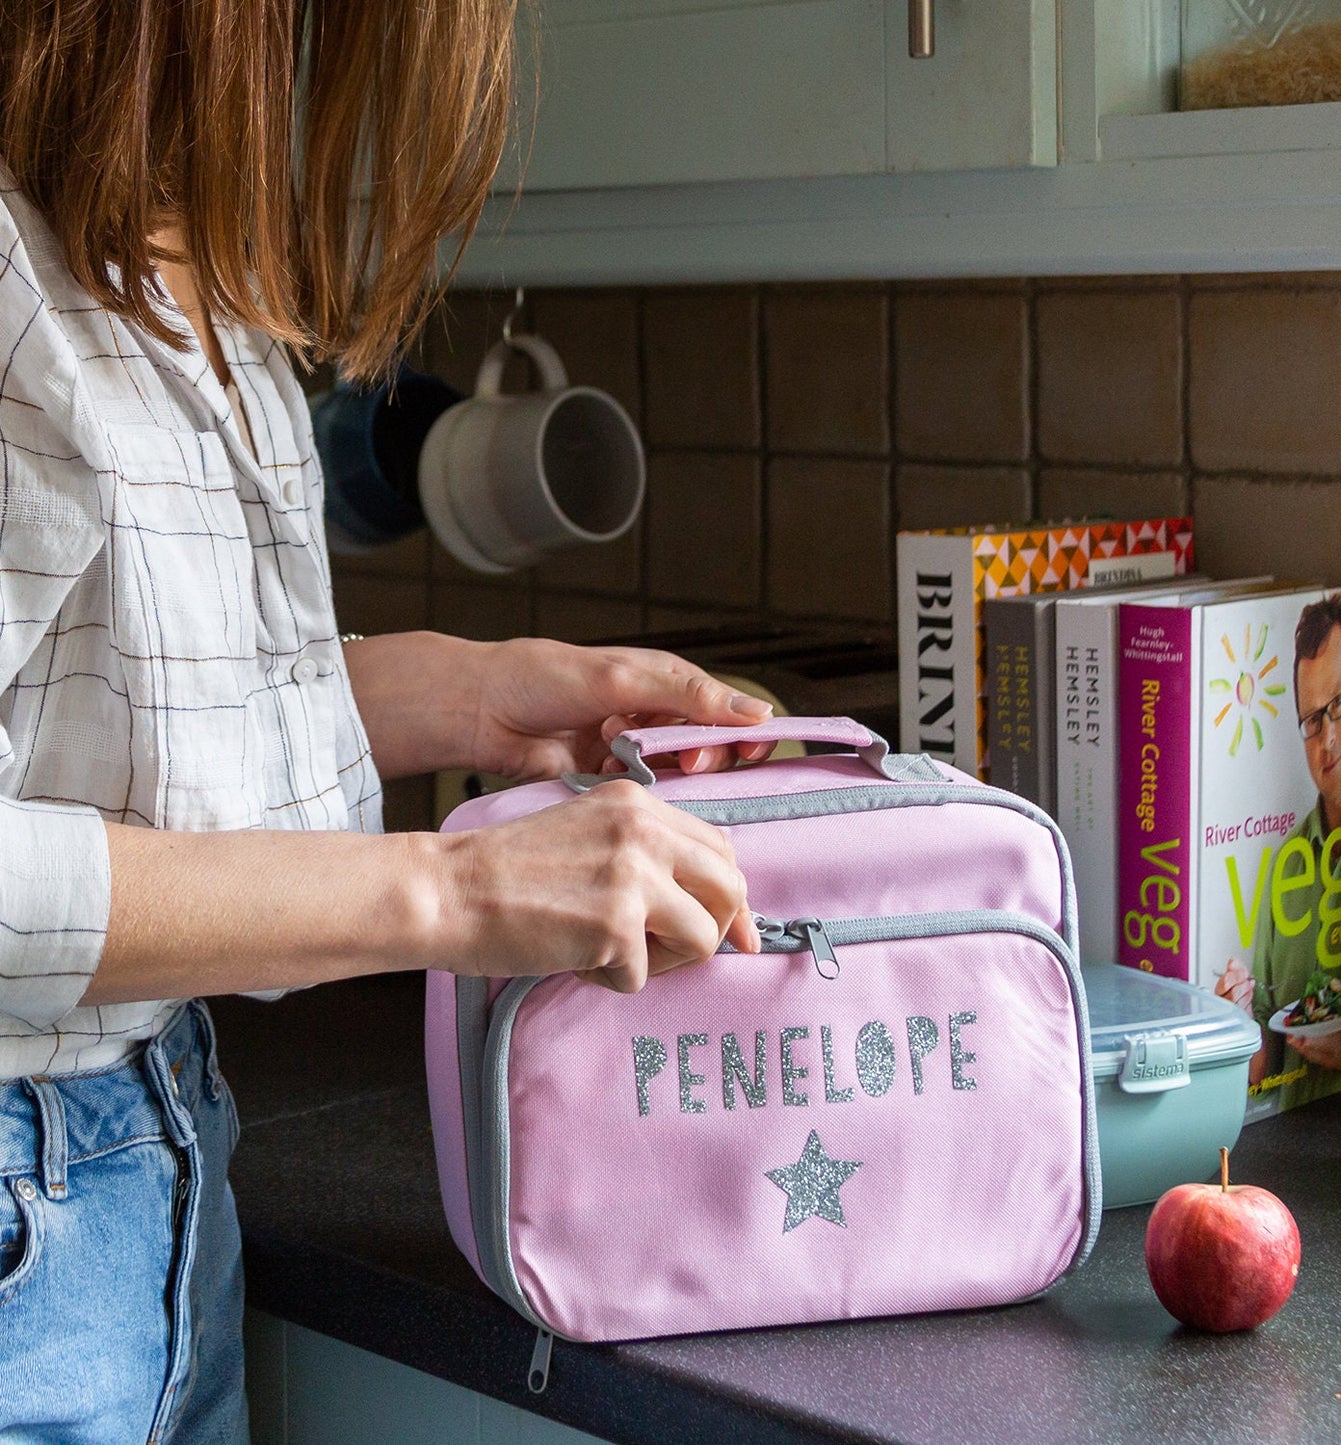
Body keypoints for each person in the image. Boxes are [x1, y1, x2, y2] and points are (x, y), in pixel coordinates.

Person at [0, 4, 772, 1439]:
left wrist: (461, 694)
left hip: (147, 1167)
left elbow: (79, 706)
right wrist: (449, 888)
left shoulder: (143, 241)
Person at [1215, 592, 1341, 1113]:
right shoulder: (1286, 863)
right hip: (1288, 1139)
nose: (1327, 740)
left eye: (1337, 705)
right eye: (1311, 719)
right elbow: (1261, 1070)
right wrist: (1236, 1022)